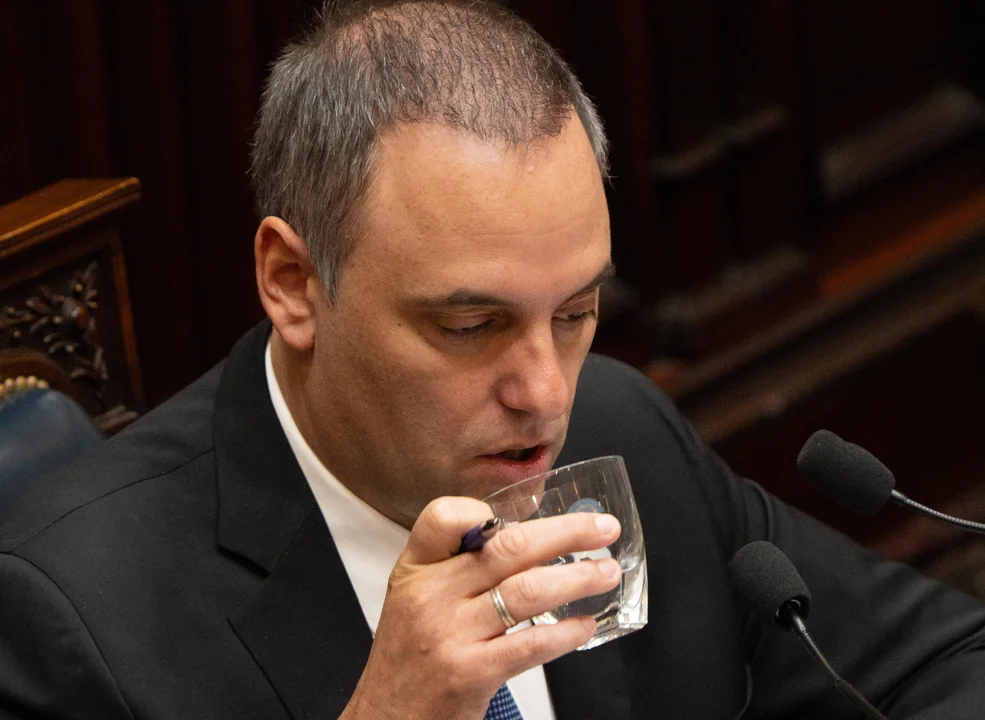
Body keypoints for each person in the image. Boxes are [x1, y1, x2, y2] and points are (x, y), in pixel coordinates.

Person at [2, 1, 985, 718]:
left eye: (576, 312)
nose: (545, 394)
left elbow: (950, 661)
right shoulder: (75, 621)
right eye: (470, 327)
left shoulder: (621, 430)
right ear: (294, 284)